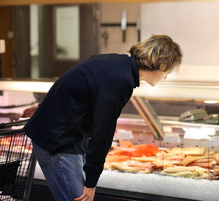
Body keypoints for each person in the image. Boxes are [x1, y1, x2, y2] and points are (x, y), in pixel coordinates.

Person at [23, 34, 183, 201]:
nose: (165, 77)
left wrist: (46, 106)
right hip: (59, 144)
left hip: (63, 138)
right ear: (161, 64)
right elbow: (103, 132)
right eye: (168, 71)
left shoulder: (115, 62)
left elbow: (73, 83)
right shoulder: (121, 80)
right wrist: (91, 183)